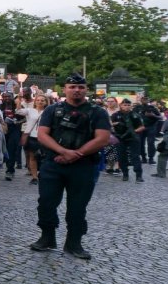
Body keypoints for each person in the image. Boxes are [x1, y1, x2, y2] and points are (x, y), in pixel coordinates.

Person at [30, 73, 113, 260]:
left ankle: (74, 242)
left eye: (81, 87)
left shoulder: (97, 112)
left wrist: (76, 155)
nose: (76, 90)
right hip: (53, 164)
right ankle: (47, 237)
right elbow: (43, 135)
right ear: (65, 89)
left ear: (86, 90)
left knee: (77, 206)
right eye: (72, 87)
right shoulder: (52, 110)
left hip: (83, 165)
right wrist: (63, 151)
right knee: (46, 202)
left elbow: (103, 138)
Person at [110, 98, 145, 183]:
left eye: (128, 105)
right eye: (124, 105)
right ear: (121, 105)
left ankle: (138, 175)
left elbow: (142, 127)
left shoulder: (135, 115)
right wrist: (117, 123)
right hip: (120, 138)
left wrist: (134, 131)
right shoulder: (116, 115)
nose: (127, 107)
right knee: (121, 157)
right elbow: (109, 124)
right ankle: (125, 173)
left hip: (133, 138)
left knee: (135, 156)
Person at [20, 93, 48, 184]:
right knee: (33, 157)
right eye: (38, 100)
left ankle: (42, 174)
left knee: (44, 157)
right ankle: (34, 177)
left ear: (46, 102)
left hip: (45, 137)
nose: (40, 102)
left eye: (42, 100)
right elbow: (18, 111)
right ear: (35, 102)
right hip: (32, 136)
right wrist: (19, 99)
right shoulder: (30, 110)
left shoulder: (48, 111)